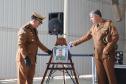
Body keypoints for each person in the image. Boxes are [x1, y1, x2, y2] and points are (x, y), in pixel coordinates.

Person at [69, 10, 119, 84]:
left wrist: (107, 48)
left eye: (92, 17)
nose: (90, 19)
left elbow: (115, 37)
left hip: (107, 55)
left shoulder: (109, 24)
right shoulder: (93, 27)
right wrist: (73, 43)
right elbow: (86, 37)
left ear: (97, 16)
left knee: (111, 78)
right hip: (97, 55)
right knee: (100, 78)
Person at [16, 12, 52, 84]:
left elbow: (38, 43)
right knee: (22, 80)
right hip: (24, 59)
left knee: (30, 79)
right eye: (39, 23)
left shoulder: (34, 30)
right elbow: (21, 45)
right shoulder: (24, 29)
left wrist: (48, 51)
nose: (39, 25)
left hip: (32, 59)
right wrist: (25, 57)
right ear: (34, 20)